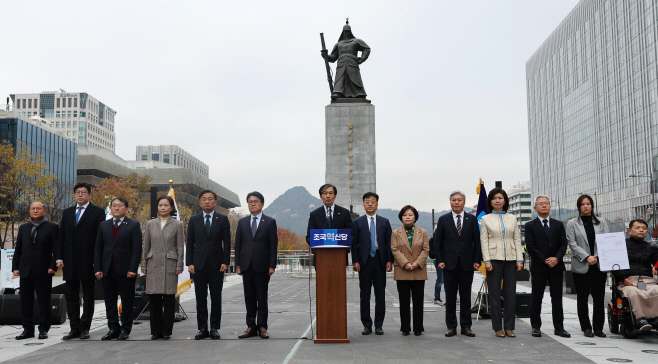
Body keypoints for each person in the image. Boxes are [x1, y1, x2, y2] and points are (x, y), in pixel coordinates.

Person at [56, 182, 106, 340]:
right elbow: (61, 236)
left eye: (83, 192)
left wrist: (97, 261)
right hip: (69, 260)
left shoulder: (97, 212)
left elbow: (100, 238)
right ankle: (74, 328)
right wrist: (59, 257)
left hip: (88, 260)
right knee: (71, 296)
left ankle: (85, 328)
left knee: (88, 296)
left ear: (89, 195)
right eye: (77, 192)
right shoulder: (68, 212)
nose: (80, 195)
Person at [94, 197, 142, 340]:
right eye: (113, 206)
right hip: (108, 269)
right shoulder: (104, 225)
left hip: (126, 270)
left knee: (127, 301)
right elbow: (98, 248)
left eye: (119, 206)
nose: (116, 208)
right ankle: (113, 328)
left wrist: (133, 268)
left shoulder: (133, 225)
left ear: (126, 209)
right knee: (110, 301)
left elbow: (136, 249)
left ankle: (125, 329)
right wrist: (98, 268)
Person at [435, 191, 482, 337]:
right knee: (450, 297)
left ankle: (466, 326)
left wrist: (477, 260)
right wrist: (440, 260)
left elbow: (477, 242)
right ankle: (451, 326)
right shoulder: (443, 219)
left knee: (466, 296)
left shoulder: (472, 219)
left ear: (464, 202)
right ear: (450, 202)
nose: (456, 202)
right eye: (454, 200)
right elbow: (438, 243)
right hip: (449, 264)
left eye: (459, 200)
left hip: (467, 264)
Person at [186, 190, 231, 340]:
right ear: (199, 202)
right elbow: (190, 243)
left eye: (210, 199)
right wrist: (189, 262)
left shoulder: (223, 219)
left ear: (215, 202)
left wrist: (225, 262)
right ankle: (202, 328)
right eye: (204, 199)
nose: (207, 201)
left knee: (216, 297)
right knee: (200, 297)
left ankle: (214, 328)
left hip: (217, 264)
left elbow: (227, 242)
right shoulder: (194, 219)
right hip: (198, 264)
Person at [525, 196, 570, 338]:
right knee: (536, 298)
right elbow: (530, 246)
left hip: (556, 266)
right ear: (535, 208)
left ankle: (559, 327)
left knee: (557, 298)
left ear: (550, 206)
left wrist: (556, 258)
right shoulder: (530, 225)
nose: (544, 206)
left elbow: (564, 244)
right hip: (539, 267)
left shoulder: (558, 224)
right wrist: (545, 260)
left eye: (546, 203)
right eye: (540, 204)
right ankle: (536, 327)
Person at [480, 187, 523, 338]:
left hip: (511, 259)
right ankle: (498, 327)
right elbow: (484, 241)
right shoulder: (486, 218)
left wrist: (519, 259)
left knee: (510, 293)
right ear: (490, 201)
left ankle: (510, 327)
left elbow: (517, 239)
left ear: (505, 201)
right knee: (495, 293)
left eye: (500, 198)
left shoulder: (512, 218)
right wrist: (486, 261)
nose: (497, 200)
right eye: (494, 198)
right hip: (493, 260)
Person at [235, 192, 278, 339]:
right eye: (250, 202)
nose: (253, 204)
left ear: (262, 204)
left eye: (256, 201)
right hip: (246, 265)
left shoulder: (270, 222)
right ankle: (250, 326)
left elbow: (273, 245)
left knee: (262, 296)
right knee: (249, 297)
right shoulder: (242, 222)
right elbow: (238, 244)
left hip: (263, 265)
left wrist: (272, 265)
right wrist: (238, 265)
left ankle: (262, 327)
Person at [12, 202, 58, 340]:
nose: (35, 211)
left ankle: (44, 329)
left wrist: (53, 266)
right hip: (25, 270)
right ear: (29, 211)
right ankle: (28, 329)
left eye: (38, 208)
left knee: (44, 301)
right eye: (33, 209)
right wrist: (15, 267)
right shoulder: (24, 228)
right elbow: (18, 249)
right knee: (25, 301)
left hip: (44, 270)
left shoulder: (52, 227)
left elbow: (57, 250)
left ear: (45, 211)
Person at [141, 196, 184, 340]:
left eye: (166, 205)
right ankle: (155, 331)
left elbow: (180, 247)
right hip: (153, 263)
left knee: (169, 299)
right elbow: (146, 245)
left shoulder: (177, 224)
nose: (163, 208)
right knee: (154, 300)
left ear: (171, 208)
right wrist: (144, 264)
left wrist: (179, 264)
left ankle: (166, 331)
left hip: (170, 264)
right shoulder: (150, 223)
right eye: (160, 205)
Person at [566, 194, 609, 338]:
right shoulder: (572, 223)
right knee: (582, 298)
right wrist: (587, 257)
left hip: (598, 265)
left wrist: (595, 256)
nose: (586, 206)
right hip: (581, 265)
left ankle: (598, 328)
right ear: (579, 207)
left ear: (592, 206)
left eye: (588, 204)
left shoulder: (601, 222)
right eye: (583, 204)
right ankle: (586, 327)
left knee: (599, 297)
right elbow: (572, 243)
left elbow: (605, 241)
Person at [351, 192, 393, 335]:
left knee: (380, 294)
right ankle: (367, 324)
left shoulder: (384, 222)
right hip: (364, 262)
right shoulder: (357, 222)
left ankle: (379, 325)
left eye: (372, 201)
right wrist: (355, 261)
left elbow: (389, 243)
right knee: (365, 294)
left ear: (377, 204)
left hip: (380, 261)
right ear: (363, 204)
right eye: (367, 201)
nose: (370, 204)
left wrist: (389, 260)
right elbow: (354, 244)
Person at [612, 219, 658, 331]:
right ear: (630, 231)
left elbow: (656, 263)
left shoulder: (652, 247)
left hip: (647, 280)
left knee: (656, 290)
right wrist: (623, 278)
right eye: (638, 228)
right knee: (634, 292)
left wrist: (656, 268)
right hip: (628, 280)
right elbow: (615, 264)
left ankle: (655, 318)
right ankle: (640, 319)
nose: (641, 230)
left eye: (644, 228)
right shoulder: (621, 245)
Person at [391, 205, 429, 336]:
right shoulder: (395, 232)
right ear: (401, 217)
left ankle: (418, 328)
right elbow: (394, 249)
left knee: (418, 300)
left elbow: (426, 249)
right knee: (404, 300)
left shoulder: (422, 232)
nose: (407, 217)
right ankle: (405, 328)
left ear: (415, 217)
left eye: (410, 215)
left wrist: (417, 263)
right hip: (402, 270)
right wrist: (406, 263)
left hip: (418, 270)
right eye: (405, 215)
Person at [321, 20, 371, 99]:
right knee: (340, 78)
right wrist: (325, 56)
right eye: (345, 32)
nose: (346, 33)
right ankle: (338, 93)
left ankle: (359, 94)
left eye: (348, 32)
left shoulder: (356, 41)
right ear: (342, 32)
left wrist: (362, 58)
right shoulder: (339, 44)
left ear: (350, 32)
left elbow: (366, 49)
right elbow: (333, 57)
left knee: (355, 78)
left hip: (352, 63)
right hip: (341, 63)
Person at [429, 234, 444, 305]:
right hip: (439, 260)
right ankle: (437, 297)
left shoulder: (434, 239)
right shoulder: (438, 239)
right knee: (440, 280)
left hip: (437, 260)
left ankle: (437, 297)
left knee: (440, 280)